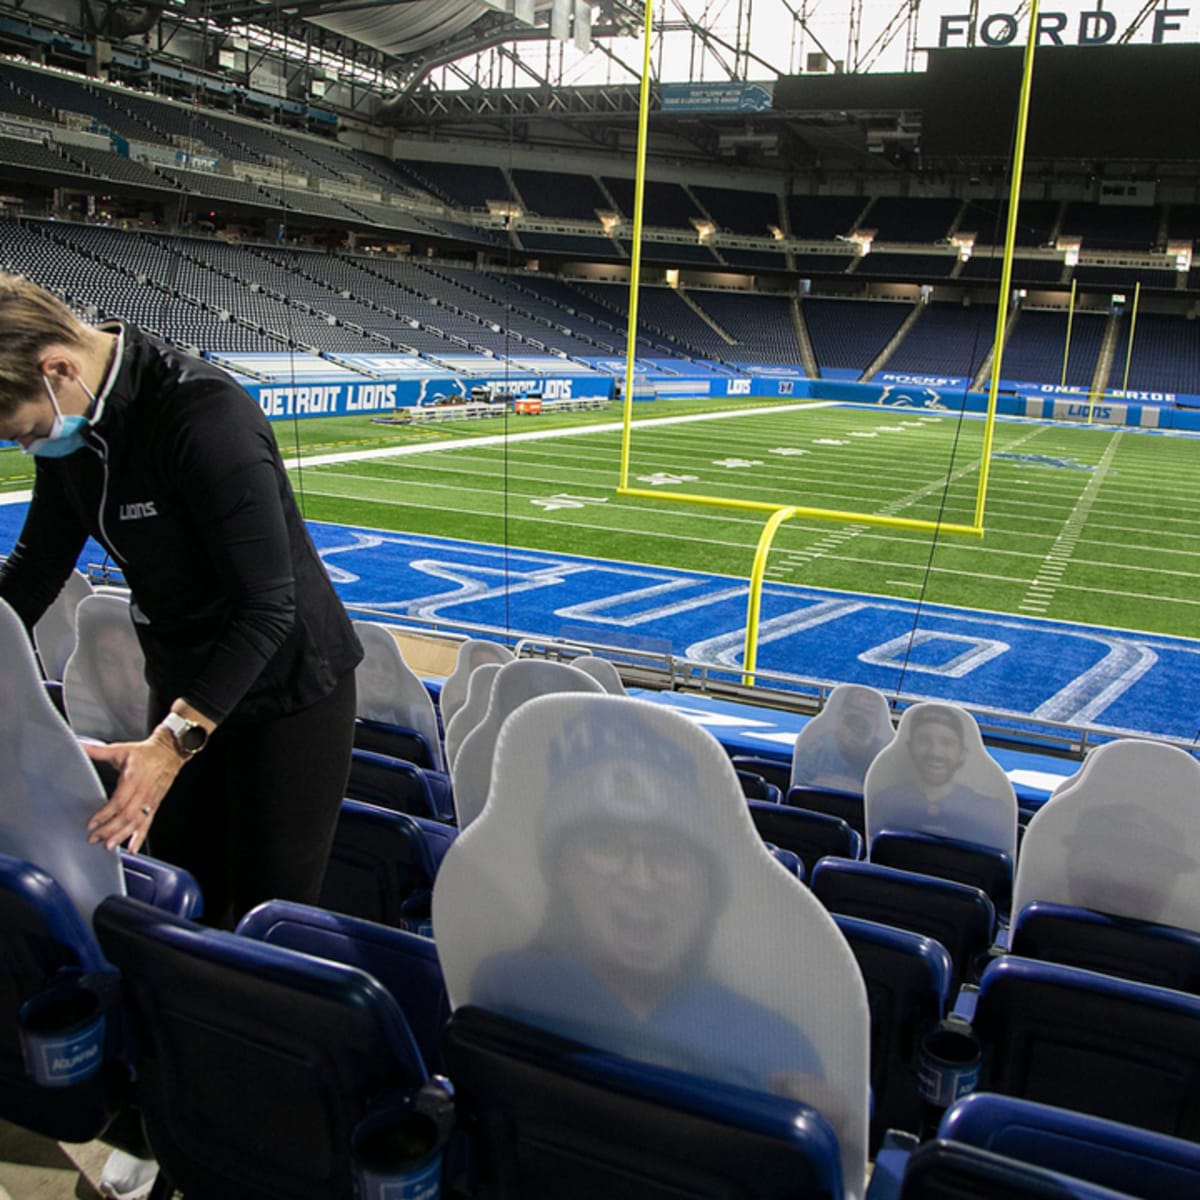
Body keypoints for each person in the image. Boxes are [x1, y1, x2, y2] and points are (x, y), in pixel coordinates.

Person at [0, 274, 363, 933]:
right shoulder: (74, 437)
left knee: (266, 917)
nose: (28, 448)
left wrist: (172, 744)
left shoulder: (202, 414)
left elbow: (266, 607)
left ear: (56, 368)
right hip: (182, 680)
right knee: (183, 895)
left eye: (23, 432)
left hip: (286, 689)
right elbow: (32, 572)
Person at [866, 703, 1015, 855]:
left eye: (947, 743)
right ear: (910, 747)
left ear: (962, 753)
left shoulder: (992, 814)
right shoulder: (885, 804)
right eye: (924, 740)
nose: (935, 752)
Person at [790, 683, 893, 793]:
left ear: (877, 728)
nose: (855, 732)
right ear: (839, 718)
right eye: (851, 721)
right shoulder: (815, 750)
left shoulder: (886, 760)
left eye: (864, 727)